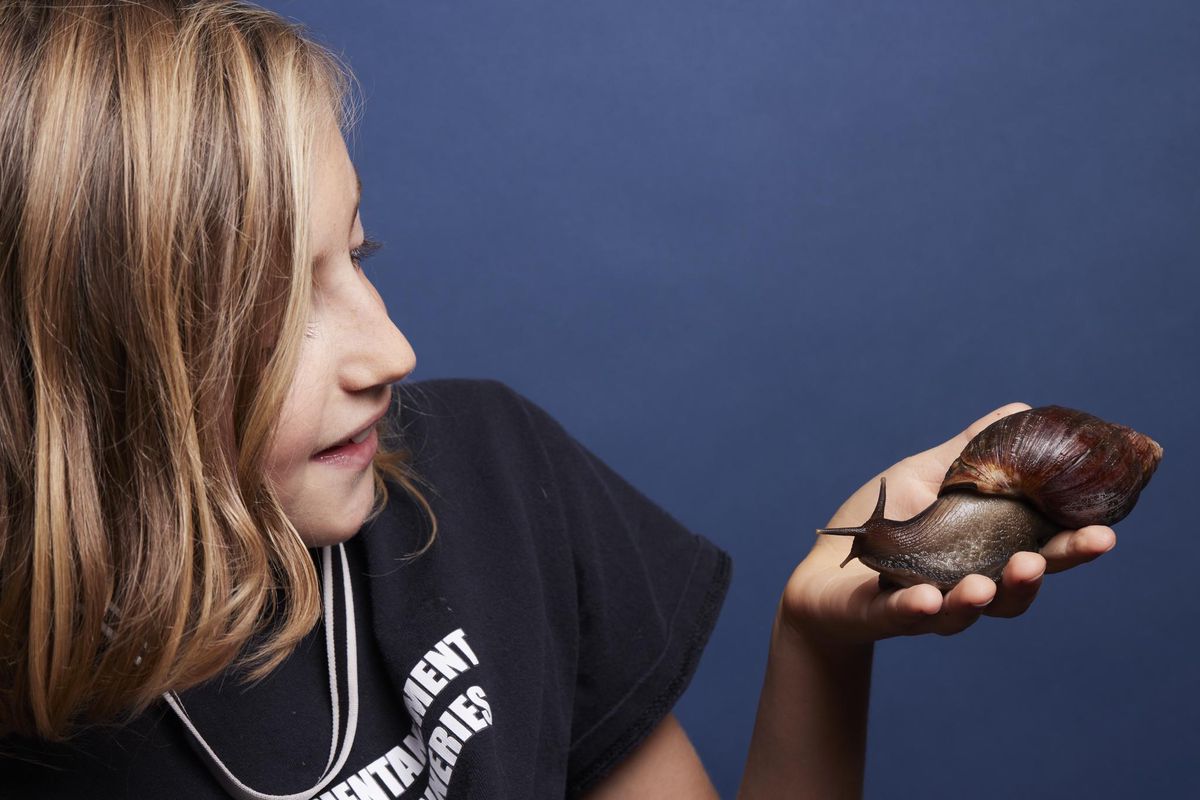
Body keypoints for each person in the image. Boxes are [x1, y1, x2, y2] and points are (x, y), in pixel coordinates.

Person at [0, 2, 1119, 798]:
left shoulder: (494, 485)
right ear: (84, 366)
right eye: (280, 305)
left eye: (359, 253)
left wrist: (819, 645)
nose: (391, 350)